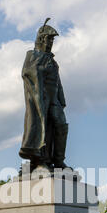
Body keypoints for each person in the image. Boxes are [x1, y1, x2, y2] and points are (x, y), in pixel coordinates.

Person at [19, 18, 71, 173]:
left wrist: (61, 99)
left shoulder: (52, 61)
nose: (50, 42)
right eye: (49, 39)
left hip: (53, 99)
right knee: (42, 127)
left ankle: (59, 160)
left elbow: (57, 82)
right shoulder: (33, 55)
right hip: (40, 99)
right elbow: (28, 73)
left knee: (61, 124)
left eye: (52, 40)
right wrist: (41, 70)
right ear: (41, 39)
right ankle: (40, 160)